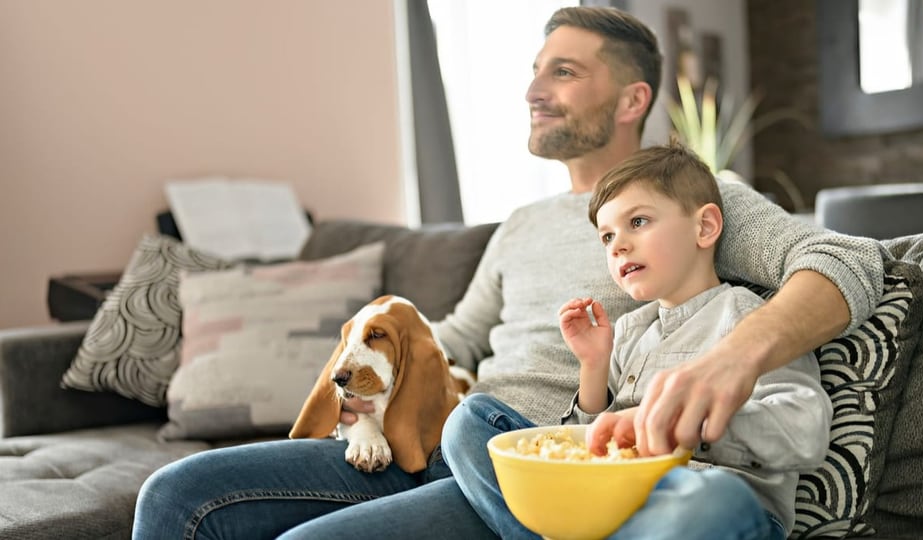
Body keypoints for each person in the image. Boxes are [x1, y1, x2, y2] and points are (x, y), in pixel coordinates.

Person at [133, 6, 883, 539]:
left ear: (632, 99)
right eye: (533, 72)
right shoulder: (521, 225)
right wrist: (368, 382)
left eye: (562, 72)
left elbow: (848, 258)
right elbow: (454, 338)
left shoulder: (695, 195)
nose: (533, 91)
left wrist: (732, 362)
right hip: (437, 442)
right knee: (175, 496)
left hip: (543, 463)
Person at [442, 142, 833, 540]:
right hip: (610, 505)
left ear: (705, 227)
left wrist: (686, 423)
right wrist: (593, 367)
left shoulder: (750, 320)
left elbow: (805, 430)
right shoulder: (629, 331)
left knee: (718, 497)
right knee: (469, 421)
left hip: (701, 501)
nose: (618, 245)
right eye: (607, 237)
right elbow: (590, 450)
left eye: (639, 222)